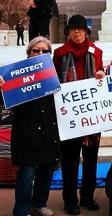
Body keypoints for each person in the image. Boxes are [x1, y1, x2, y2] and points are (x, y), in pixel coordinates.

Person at [0, 36, 60, 216]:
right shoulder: (14, 75)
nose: (40, 53)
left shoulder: (54, 74)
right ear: (28, 52)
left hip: (49, 132)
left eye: (45, 51)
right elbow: (6, 104)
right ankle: (22, 210)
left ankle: (39, 204)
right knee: (26, 174)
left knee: (46, 170)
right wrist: (1, 89)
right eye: (36, 50)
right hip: (26, 134)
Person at [53, 14, 105, 215]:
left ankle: (88, 197)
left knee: (91, 160)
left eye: (80, 29)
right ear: (68, 32)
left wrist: (102, 74)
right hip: (70, 118)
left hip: (92, 117)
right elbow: (53, 80)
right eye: (73, 29)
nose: (76, 32)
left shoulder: (97, 52)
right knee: (69, 161)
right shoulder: (59, 54)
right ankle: (69, 200)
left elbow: (101, 76)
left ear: (86, 32)